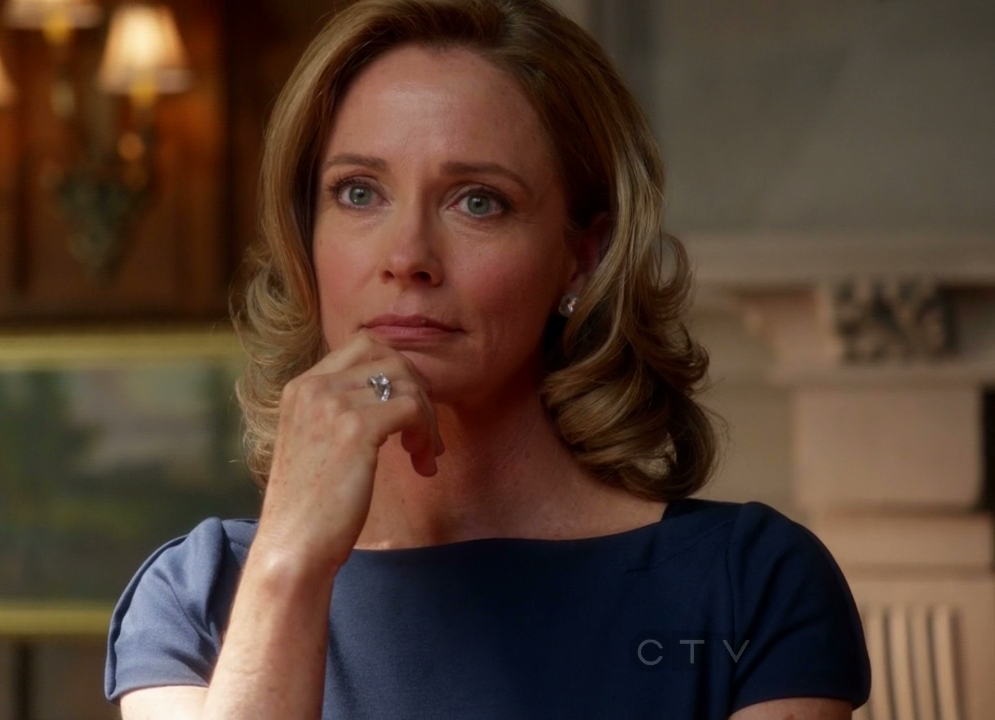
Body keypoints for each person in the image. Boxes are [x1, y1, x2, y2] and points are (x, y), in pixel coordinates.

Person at [104, 0, 872, 717]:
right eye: (359, 193)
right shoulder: (197, 595)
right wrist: (287, 564)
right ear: (308, 237)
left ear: (582, 258)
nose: (407, 257)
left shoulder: (749, 583)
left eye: (478, 200)